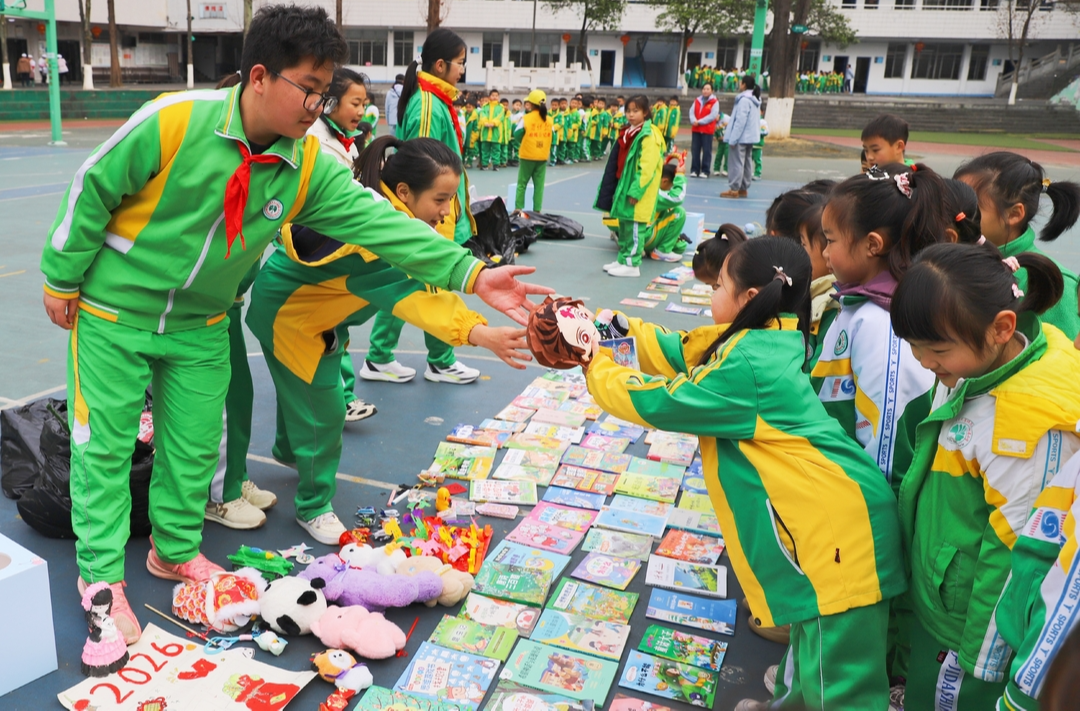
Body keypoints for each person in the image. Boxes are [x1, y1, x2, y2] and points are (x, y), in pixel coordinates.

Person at [39, 4, 549, 643]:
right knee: (105, 450)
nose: (317, 105)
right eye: (307, 88)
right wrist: (61, 277)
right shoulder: (173, 122)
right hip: (117, 313)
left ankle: (171, 549)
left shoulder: (307, 165)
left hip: (199, 324)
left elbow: (381, 225)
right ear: (258, 77)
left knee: (195, 450)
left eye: (324, 91)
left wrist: (470, 274)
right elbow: (92, 189)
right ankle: (101, 582)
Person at [583, 237, 906, 711]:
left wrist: (596, 364)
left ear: (748, 298)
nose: (711, 293)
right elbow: (680, 350)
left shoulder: (749, 364)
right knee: (813, 661)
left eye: (717, 285)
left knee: (841, 689)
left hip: (837, 538)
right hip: (834, 527)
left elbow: (658, 401)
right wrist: (610, 327)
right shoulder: (764, 336)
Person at [248, 136, 534, 544]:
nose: (446, 210)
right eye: (440, 199)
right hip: (291, 318)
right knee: (324, 409)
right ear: (404, 192)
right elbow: (416, 297)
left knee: (301, 390)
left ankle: (289, 449)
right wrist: (481, 333)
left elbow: (425, 275)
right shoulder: (373, 242)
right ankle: (313, 506)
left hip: (316, 310)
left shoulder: (384, 212)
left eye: (452, 199)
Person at [890, 242, 1080, 709]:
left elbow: (1016, 556)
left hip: (970, 634)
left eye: (935, 349)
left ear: (1002, 328)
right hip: (942, 600)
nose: (923, 362)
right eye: (913, 347)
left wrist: (982, 659)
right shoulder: (974, 371)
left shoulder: (1023, 429)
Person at [367, 27, 484, 385]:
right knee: (430, 282)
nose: (463, 70)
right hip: (429, 212)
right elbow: (422, 162)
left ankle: (380, 355)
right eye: (460, 63)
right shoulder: (429, 104)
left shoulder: (438, 99)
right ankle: (439, 359)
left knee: (412, 281)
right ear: (440, 64)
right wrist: (432, 213)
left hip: (437, 208)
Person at [954, 151, 1080, 338]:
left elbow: (1070, 359)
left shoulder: (1051, 283)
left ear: (1014, 214)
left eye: (971, 208)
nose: (956, 215)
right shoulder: (951, 261)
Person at [595, 94, 665, 278]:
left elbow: (647, 167)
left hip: (637, 189)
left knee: (635, 227)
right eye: (628, 111)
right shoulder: (628, 132)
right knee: (624, 225)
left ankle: (632, 264)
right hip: (624, 185)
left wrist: (636, 190)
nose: (631, 114)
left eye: (636, 111)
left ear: (645, 112)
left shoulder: (649, 135)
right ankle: (623, 259)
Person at [720, 75, 761, 199]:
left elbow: (740, 121)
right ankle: (743, 188)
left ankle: (734, 189)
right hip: (750, 136)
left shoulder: (744, 100)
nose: (739, 85)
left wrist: (733, 138)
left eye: (740, 83)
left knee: (736, 162)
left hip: (741, 136)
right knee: (747, 161)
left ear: (744, 84)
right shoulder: (755, 98)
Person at [515, 90, 553, 212]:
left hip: (527, 155)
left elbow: (517, 134)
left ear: (530, 104)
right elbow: (554, 136)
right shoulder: (549, 120)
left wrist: (525, 141)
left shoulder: (526, 118)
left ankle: (518, 208)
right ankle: (537, 210)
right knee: (539, 186)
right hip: (542, 156)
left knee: (522, 184)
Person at [644, 162, 686, 262]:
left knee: (680, 246)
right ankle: (662, 251)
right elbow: (677, 197)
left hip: (628, 234)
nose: (669, 189)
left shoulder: (645, 182)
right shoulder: (654, 192)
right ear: (664, 181)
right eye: (670, 186)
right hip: (643, 236)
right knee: (678, 212)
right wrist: (680, 176)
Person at [687, 83, 719, 179]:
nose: (705, 91)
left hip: (707, 130)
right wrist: (693, 120)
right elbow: (691, 112)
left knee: (706, 151)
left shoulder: (714, 102)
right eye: (704, 89)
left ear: (712, 91)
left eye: (708, 89)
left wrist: (700, 122)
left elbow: (713, 115)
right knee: (695, 150)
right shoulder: (697, 100)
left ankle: (705, 171)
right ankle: (694, 170)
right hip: (696, 129)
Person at [478, 88, 504, 170]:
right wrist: (485, 122)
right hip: (486, 131)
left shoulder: (501, 107)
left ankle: (496, 164)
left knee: (496, 149)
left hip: (496, 131)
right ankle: (485, 164)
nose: (494, 97)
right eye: (493, 95)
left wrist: (493, 123)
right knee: (485, 149)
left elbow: (500, 117)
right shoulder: (485, 107)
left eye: (496, 95)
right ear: (489, 96)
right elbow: (482, 115)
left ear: (499, 97)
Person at [752, 109, 769, 181]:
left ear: (762, 112)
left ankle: (757, 174)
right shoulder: (751, 119)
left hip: (758, 145)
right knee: (747, 160)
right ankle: (747, 173)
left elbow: (765, 132)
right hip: (749, 144)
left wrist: (756, 131)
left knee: (757, 160)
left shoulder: (762, 122)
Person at [712, 110, 729, 176]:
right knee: (718, 155)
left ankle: (726, 169)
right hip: (720, 142)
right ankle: (716, 169)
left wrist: (726, 136)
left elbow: (732, 128)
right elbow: (715, 131)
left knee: (727, 155)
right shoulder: (714, 122)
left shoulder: (726, 118)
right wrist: (715, 136)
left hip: (728, 142)